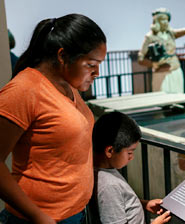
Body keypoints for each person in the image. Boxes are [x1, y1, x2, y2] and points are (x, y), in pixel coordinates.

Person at [0, 13, 106, 224]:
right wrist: (38, 217)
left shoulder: (68, 85)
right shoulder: (23, 90)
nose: (97, 72)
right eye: (91, 64)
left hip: (74, 213)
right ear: (62, 56)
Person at [91, 111, 171, 224]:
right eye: (129, 153)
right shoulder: (109, 186)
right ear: (110, 151)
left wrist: (144, 204)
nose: (132, 157)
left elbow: (119, 204)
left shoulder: (102, 169)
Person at [138, 8, 185, 93]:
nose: (166, 22)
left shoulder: (170, 33)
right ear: (157, 21)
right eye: (163, 20)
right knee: (163, 99)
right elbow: (140, 58)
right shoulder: (150, 37)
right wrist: (154, 64)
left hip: (175, 70)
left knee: (177, 96)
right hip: (161, 73)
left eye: (167, 20)